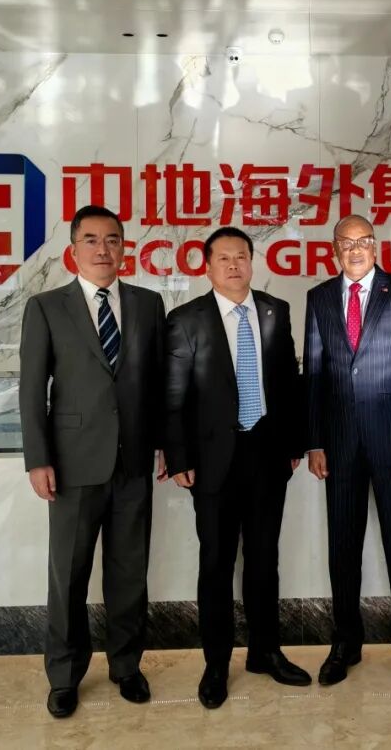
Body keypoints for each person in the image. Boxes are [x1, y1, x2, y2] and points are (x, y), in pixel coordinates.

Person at [19, 205, 167, 718]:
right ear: (73, 250)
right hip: (72, 463)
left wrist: (166, 445)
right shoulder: (46, 307)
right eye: (91, 240)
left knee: (130, 573)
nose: (103, 250)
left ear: (124, 247)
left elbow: (159, 383)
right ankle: (64, 675)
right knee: (69, 574)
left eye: (112, 240)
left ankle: (126, 666)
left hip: (133, 462)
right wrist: (38, 459)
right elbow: (32, 389)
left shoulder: (148, 304)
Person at [164, 226, 310, 710]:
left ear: (252, 262)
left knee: (265, 560)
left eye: (241, 256)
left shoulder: (274, 310)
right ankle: (216, 664)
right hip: (212, 462)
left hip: (268, 455)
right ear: (207, 266)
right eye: (223, 258)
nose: (233, 265)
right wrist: (179, 457)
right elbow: (174, 394)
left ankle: (266, 652)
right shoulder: (186, 319)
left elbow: (288, 382)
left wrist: (295, 444)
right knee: (216, 564)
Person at [303, 214, 391, 688]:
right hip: (338, 442)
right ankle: (345, 642)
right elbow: (314, 373)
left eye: (364, 241)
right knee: (343, 547)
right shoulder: (318, 297)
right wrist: (314, 440)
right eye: (346, 242)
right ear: (334, 249)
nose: (355, 249)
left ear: (376, 246)